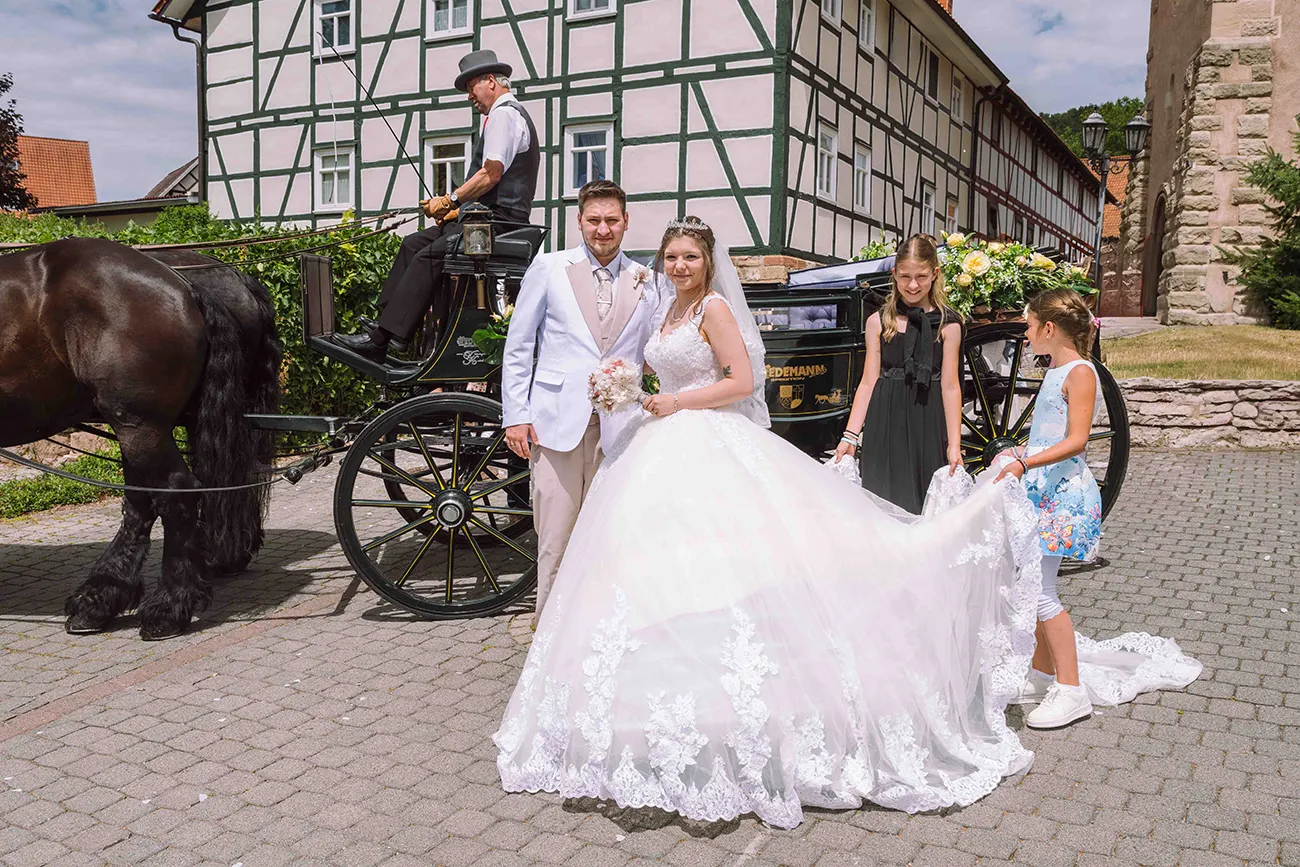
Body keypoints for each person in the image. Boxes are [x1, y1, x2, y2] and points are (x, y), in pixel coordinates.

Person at [493, 219, 1203, 827]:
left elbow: (742, 382)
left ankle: (1047, 667)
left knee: (734, 560)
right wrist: (633, 386)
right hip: (659, 450)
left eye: (690, 256)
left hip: (703, 439)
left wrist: (675, 405)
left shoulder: (711, 307)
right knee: (658, 568)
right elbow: (667, 368)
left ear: (708, 262)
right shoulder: (666, 310)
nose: (679, 265)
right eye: (671, 256)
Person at [995, 289, 1202, 729]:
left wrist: (1024, 462)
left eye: (1029, 326)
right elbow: (1049, 433)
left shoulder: (1081, 373)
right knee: (1032, 585)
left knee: (1043, 593)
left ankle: (1071, 691)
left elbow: (1076, 442)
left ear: (1049, 329)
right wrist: (1021, 449)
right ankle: (1042, 672)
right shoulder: (1056, 369)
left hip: (1063, 496)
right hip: (1042, 491)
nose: (1026, 334)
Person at [500, 180, 664, 630]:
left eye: (612, 220)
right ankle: (548, 628)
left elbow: (656, 348)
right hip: (556, 422)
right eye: (594, 220)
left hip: (621, 425)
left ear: (626, 222)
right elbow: (519, 345)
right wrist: (516, 415)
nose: (603, 229)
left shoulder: (646, 279)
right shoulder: (550, 267)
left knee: (609, 532)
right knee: (555, 531)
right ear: (579, 221)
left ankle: (598, 628)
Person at [336, 49, 541, 361]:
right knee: (412, 244)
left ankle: (387, 337)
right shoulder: (503, 115)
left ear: (490, 81)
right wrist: (453, 213)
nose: (470, 97)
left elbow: (491, 173)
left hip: (501, 222)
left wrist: (448, 201)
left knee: (429, 256)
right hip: (485, 219)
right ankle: (386, 326)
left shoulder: (503, 114)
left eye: (471, 88)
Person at [834, 234, 963, 513]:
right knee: (882, 501)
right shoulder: (878, 322)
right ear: (894, 275)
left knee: (925, 505)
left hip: (928, 420)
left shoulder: (949, 326)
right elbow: (868, 382)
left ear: (935, 274)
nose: (913, 285)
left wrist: (955, 445)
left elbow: (951, 386)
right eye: (905, 276)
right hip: (885, 421)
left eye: (921, 276)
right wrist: (850, 435)